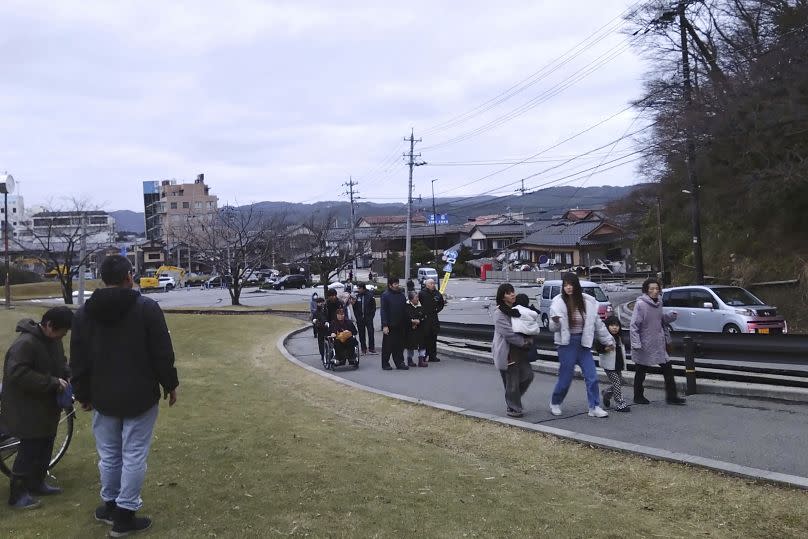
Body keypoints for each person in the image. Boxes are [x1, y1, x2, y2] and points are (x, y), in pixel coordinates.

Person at [70, 255, 179, 536]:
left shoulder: (83, 313)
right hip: (140, 394)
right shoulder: (146, 308)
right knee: (133, 455)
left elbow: (78, 359)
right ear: (129, 276)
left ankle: (110, 505)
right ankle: (124, 515)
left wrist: (81, 393)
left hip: (101, 395)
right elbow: (161, 352)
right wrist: (170, 384)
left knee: (108, 454)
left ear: (103, 278)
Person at [1, 307, 74, 510]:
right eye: (63, 331)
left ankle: (37, 483)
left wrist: (67, 373)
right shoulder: (25, 344)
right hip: (26, 407)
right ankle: (17, 495)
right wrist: (52, 382)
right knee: (29, 449)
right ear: (49, 326)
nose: (64, 335)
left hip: (46, 406)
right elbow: (17, 373)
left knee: (46, 443)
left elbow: (61, 362)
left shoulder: (53, 341)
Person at [548, 272, 613, 418]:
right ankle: (555, 402)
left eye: (571, 284)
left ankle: (594, 406)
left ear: (576, 285)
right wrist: (556, 321)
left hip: (583, 344)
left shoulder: (588, 302)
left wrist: (609, 341)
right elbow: (552, 328)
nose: (568, 288)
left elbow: (598, 325)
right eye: (565, 285)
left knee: (592, 376)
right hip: (566, 344)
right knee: (565, 379)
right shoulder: (558, 303)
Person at [630, 277, 686, 405]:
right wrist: (636, 343)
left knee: (668, 369)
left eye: (657, 288)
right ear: (646, 290)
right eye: (652, 289)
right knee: (641, 371)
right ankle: (638, 396)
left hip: (659, 342)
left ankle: (672, 397)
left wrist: (670, 317)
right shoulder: (641, 304)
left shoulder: (659, 302)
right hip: (645, 343)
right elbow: (634, 325)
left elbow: (660, 320)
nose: (655, 291)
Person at [492, 283, 534, 418]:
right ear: (502, 296)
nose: (512, 294)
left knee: (528, 376)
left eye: (513, 292)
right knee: (512, 381)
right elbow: (508, 333)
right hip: (507, 352)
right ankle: (513, 407)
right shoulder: (499, 313)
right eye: (508, 293)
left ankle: (512, 398)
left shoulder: (517, 310)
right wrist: (523, 342)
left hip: (520, 351)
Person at [597, 315, 630, 412]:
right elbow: (599, 349)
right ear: (607, 326)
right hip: (609, 365)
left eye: (617, 325)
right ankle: (620, 404)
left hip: (618, 364)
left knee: (619, 382)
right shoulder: (605, 337)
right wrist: (606, 349)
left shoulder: (619, 338)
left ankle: (606, 393)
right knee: (616, 382)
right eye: (612, 325)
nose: (615, 327)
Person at [380, 277, 407, 370]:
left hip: (400, 324)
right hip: (390, 325)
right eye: (395, 284)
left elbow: (405, 310)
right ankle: (385, 363)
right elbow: (383, 311)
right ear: (390, 285)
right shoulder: (385, 295)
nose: (397, 285)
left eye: (397, 283)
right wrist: (384, 325)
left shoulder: (401, 295)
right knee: (388, 346)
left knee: (400, 345)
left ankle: (400, 362)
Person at [418, 278, 445, 363]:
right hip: (425, 318)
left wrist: (437, 310)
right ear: (427, 285)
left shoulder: (437, 293)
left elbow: (441, 303)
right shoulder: (422, 293)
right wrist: (420, 313)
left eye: (434, 283)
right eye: (431, 283)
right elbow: (417, 304)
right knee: (425, 338)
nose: (433, 285)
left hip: (434, 317)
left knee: (433, 337)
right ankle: (424, 355)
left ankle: (433, 356)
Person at [509, 293, 541, 363]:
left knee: (518, 362)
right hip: (530, 338)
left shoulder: (514, 310)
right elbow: (538, 312)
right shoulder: (531, 312)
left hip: (517, 338)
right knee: (526, 361)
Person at [404, 291, 428, 368]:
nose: (417, 299)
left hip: (420, 328)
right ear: (411, 299)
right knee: (410, 345)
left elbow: (424, 316)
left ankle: (421, 360)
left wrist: (419, 321)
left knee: (422, 344)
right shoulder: (406, 306)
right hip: (410, 329)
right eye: (416, 298)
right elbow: (405, 316)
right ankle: (410, 359)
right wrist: (412, 322)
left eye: (417, 297)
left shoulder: (421, 306)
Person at [352, 283, 377, 354]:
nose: (358, 290)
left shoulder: (370, 295)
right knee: (361, 334)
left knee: (371, 333)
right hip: (360, 318)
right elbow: (355, 308)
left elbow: (373, 307)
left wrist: (371, 316)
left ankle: (371, 348)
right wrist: (357, 316)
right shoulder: (357, 296)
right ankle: (363, 348)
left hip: (368, 318)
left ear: (363, 288)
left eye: (359, 288)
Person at [312, 297, 328, 363]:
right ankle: (322, 355)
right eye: (319, 303)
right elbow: (314, 320)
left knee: (329, 341)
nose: (320, 304)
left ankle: (329, 354)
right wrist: (316, 323)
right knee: (321, 343)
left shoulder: (327, 310)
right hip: (320, 330)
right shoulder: (316, 312)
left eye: (322, 302)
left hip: (327, 329)